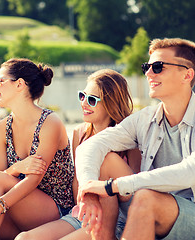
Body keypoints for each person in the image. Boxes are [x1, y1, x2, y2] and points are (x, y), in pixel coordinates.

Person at [75, 38, 195, 240]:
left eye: (158, 67)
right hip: (146, 203)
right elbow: (90, 146)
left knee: (145, 197)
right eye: (147, 67)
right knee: (106, 159)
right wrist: (89, 190)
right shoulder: (145, 118)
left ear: (187, 74)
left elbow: (189, 173)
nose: (148, 73)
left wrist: (112, 186)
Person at [0, 58, 75, 240]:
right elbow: (0, 175)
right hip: (15, 207)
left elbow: (32, 180)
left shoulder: (50, 122)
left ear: (19, 84)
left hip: (54, 211)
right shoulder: (1, 128)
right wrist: (16, 168)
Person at [15, 69, 141, 240]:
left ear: (111, 103)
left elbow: (131, 192)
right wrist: (84, 207)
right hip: (82, 214)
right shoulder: (79, 133)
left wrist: (103, 192)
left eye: (91, 100)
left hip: (118, 219)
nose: (84, 103)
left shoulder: (129, 136)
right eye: (82, 96)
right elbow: (77, 180)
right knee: (24, 238)